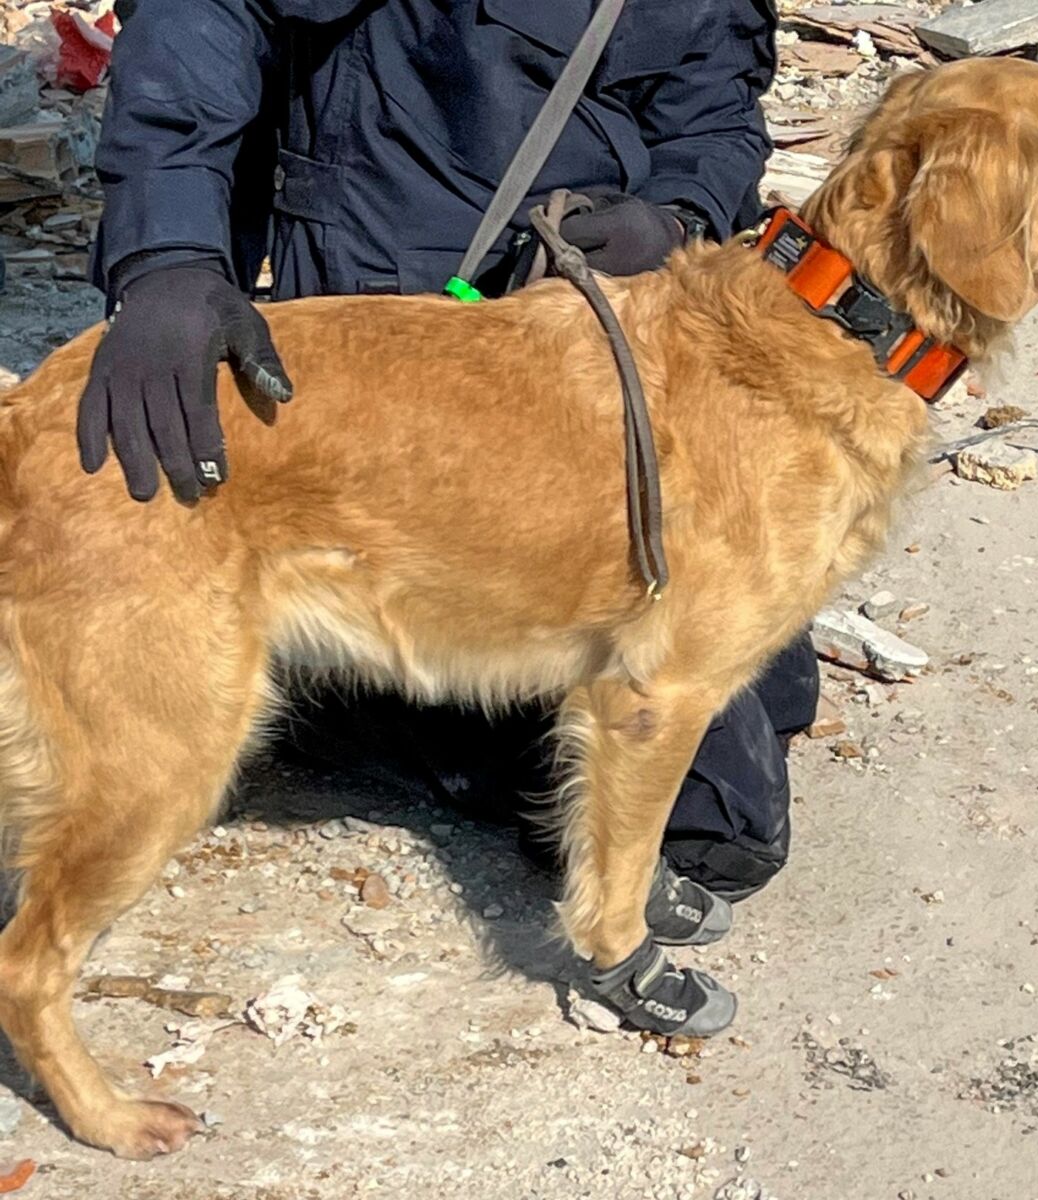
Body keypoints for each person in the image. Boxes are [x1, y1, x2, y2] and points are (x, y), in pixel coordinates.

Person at [81, 0, 818, 951]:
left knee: (729, 818)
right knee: (655, 790)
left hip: (591, 332)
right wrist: (167, 255)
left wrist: (673, 214)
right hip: (379, 288)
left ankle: (359, 690)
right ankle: (340, 684)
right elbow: (199, 16)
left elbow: (714, 106)